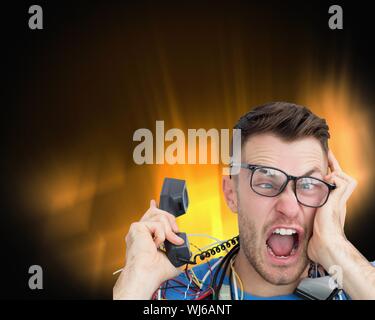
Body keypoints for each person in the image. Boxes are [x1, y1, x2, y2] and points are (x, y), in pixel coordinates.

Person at [113, 102, 375, 300]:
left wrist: (338, 251)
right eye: (266, 182)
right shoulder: (179, 293)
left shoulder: (362, 277)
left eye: (308, 184)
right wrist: (135, 283)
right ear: (231, 194)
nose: (289, 207)